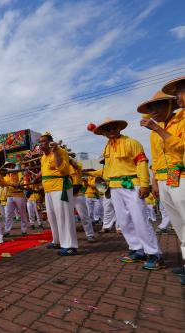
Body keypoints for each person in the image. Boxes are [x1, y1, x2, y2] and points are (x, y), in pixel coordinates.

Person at [88, 118, 162, 270]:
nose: (111, 131)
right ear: (103, 133)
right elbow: (107, 170)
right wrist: (106, 187)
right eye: (107, 130)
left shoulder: (131, 142)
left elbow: (142, 163)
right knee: (124, 221)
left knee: (140, 219)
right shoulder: (107, 148)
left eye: (113, 128)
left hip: (131, 184)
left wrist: (144, 184)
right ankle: (137, 249)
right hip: (114, 187)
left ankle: (154, 254)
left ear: (119, 128)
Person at [139, 82, 185, 281]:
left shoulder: (182, 120)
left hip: (181, 176)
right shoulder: (153, 132)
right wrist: (155, 181)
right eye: (150, 109)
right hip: (164, 179)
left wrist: (159, 130)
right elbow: (156, 159)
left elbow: (181, 148)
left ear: (170, 105)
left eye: (157, 106)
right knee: (179, 224)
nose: (153, 112)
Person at [34, 133, 78, 256]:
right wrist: (36, 178)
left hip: (60, 188)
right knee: (52, 218)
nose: (41, 144)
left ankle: (70, 246)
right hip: (48, 190)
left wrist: (56, 151)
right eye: (39, 142)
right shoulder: (43, 157)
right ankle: (57, 241)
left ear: (50, 142)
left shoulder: (61, 151)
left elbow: (63, 170)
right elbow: (44, 171)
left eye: (43, 141)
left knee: (64, 217)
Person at [69, 156, 96, 243]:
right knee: (68, 217)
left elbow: (76, 166)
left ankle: (90, 235)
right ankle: (70, 237)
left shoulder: (77, 164)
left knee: (83, 216)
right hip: (67, 194)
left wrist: (69, 159)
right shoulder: (63, 167)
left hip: (78, 194)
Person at [3, 162, 30, 236]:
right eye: (7, 166)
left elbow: (22, 182)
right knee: (8, 214)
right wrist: (12, 184)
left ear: (12, 166)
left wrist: (18, 183)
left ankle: (24, 230)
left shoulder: (19, 173)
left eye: (10, 165)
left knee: (22, 213)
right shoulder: (5, 176)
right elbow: (5, 183)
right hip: (9, 196)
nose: (9, 167)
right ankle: (7, 230)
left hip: (19, 195)